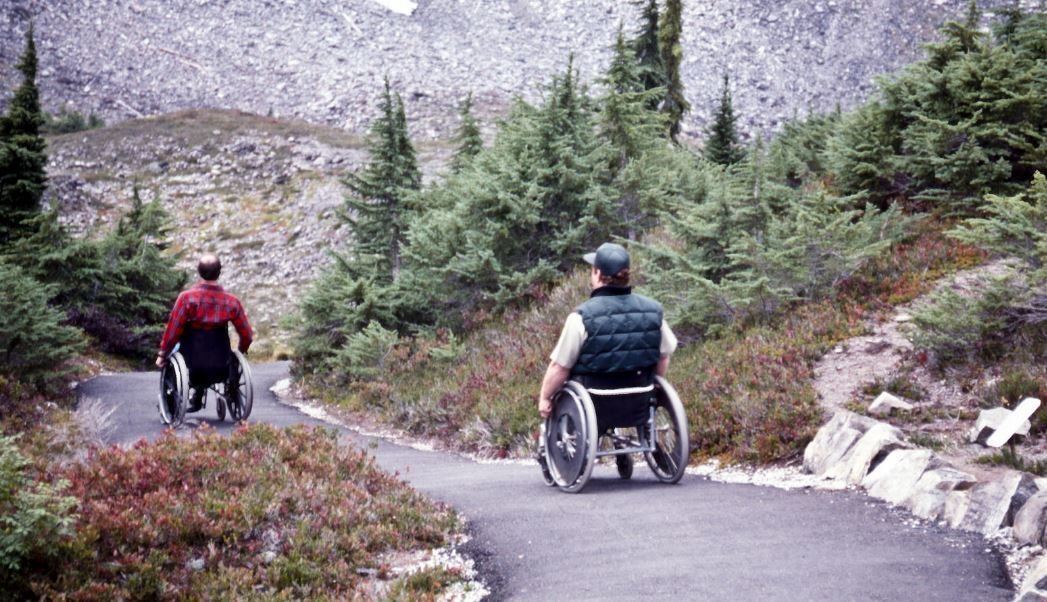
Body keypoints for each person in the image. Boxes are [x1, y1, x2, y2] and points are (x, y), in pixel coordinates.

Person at [538, 242, 677, 425]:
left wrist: (545, 398)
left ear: (597, 273)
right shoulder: (653, 310)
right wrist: (653, 385)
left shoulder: (581, 317)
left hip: (595, 401)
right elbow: (663, 356)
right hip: (640, 397)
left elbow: (560, 367)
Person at [156, 253, 253, 412]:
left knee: (173, 351)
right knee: (215, 354)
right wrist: (240, 352)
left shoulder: (186, 298)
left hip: (191, 358)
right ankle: (199, 394)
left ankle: (174, 404)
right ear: (219, 272)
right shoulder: (231, 302)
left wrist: (162, 355)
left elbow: (173, 331)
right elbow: (247, 335)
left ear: (199, 271)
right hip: (220, 359)